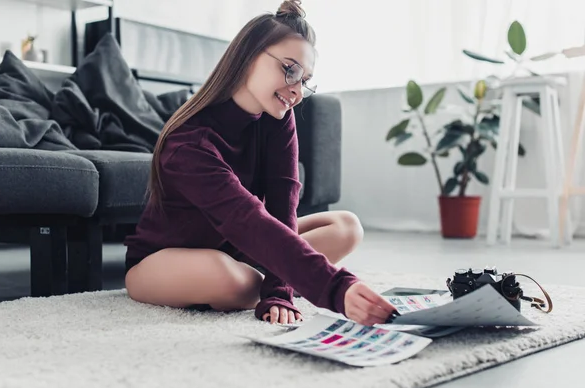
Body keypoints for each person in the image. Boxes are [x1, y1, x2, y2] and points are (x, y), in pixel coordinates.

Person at [123, 0, 397, 326]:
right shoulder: (189, 143)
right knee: (229, 280)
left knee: (347, 227)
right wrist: (335, 288)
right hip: (163, 261)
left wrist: (279, 290)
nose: (296, 90)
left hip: (238, 247)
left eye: (305, 80)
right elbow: (246, 219)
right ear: (249, 55)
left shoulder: (277, 117)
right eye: (289, 69)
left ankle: (273, 271)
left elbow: (283, 206)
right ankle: (269, 272)